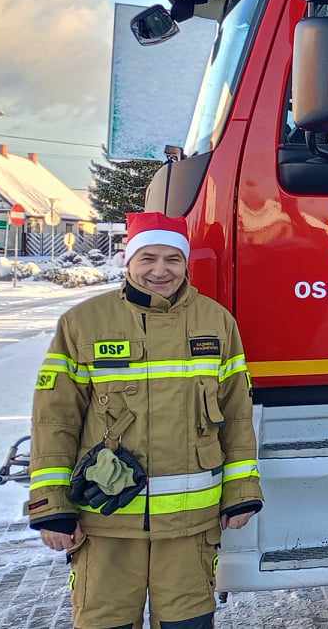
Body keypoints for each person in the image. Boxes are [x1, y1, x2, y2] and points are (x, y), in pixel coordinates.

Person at [28, 211, 262, 629]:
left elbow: (237, 413)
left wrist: (242, 488)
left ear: (186, 263)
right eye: (147, 258)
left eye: (172, 259)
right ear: (128, 260)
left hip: (190, 528)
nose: (160, 270)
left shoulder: (217, 322)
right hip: (106, 523)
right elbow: (54, 419)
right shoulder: (82, 323)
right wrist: (51, 504)